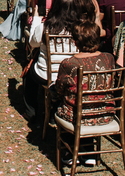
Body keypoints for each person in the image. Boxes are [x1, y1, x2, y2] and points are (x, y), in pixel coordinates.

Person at [49, 20, 117, 165]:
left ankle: (69, 151)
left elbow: (60, 89)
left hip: (78, 117)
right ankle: (88, 150)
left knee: (60, 98)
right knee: (85, 101)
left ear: (75, 41)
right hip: (106, 113)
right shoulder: (109, 58)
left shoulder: (70, 63)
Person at [21, 0, 84, 123]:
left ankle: (31, 111)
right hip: (71, 75)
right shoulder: (80, 29)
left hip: (45, 74)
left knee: (28, 73)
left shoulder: (46, 27)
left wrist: (37, 18)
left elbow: (33, 43)